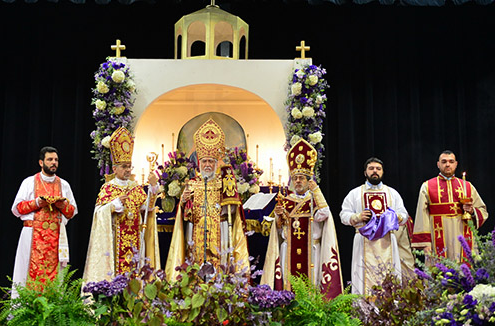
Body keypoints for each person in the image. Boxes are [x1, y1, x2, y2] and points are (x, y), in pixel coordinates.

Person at [165, 118, 250, 281]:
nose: (208, 165)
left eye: (211, 161)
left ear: (216, 163)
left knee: (219, 267)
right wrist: (183, 202)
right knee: (195, 268)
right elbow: (185, 215)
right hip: (196, 231)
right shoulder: (191, 184)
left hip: (220, 230)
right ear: (199, 163)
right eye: (204, 161)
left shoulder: (224, 183)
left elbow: (234, 212)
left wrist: (231, 205)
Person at [261, 138, 343, 298]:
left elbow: (325, 214)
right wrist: (279, 217)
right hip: (288, 251)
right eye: (295, 178)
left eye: (302, 178)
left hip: (311, 251)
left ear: (308, 180)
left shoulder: (314, 200)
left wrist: (317, 191)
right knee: (288, 286)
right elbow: (279, 230)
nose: (298, 181)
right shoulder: (285, 200)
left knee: (311, 288)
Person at [83, 127, 160, 284]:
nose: (127, 170)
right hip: (115, 241)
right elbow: (98, 213)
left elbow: (148, 209)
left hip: (135, 239)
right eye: (123, 167)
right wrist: (114, 205)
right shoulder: (108, 187)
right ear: (115, 168)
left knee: (134, 274)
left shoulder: (134, 186)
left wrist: (153, 189)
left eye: (129, 166)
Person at [340, 157, 411, 295]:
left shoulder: (392, 193)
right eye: (371, 168)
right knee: (363, 278)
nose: (375, 171)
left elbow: (404, 215)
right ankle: (363, 313)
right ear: (365, 172)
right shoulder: (355, 194)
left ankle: (391, 313)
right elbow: (343, 215)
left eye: (378, 169)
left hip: (387, 241)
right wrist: (357, 217)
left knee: (389, 276)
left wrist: (394, 217)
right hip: (364, 240)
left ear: (383, 172)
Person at [11, 146, 77, 292]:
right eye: (50, 160)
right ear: (41, 162)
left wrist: (61, 205)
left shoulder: (64, 185)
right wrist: (37, 203)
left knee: (55, 279)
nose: (54, 163)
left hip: (56, 237)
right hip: (32, 234)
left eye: (56, 160)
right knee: (26, 275)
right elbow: (16, 209)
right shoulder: (29, 182)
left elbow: (72, 212)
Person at [412, 150, 488, 261]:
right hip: (438, 236)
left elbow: (483, 211)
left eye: (451, 161)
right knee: (439, 273)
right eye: (444, 161)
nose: (448, 164)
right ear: (438, 164)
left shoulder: (467, 186)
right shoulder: (427, 186)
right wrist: (426, 243)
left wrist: (472, 211)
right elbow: (421, 215)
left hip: (462, 234)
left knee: (465, 270)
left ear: (456, 164)